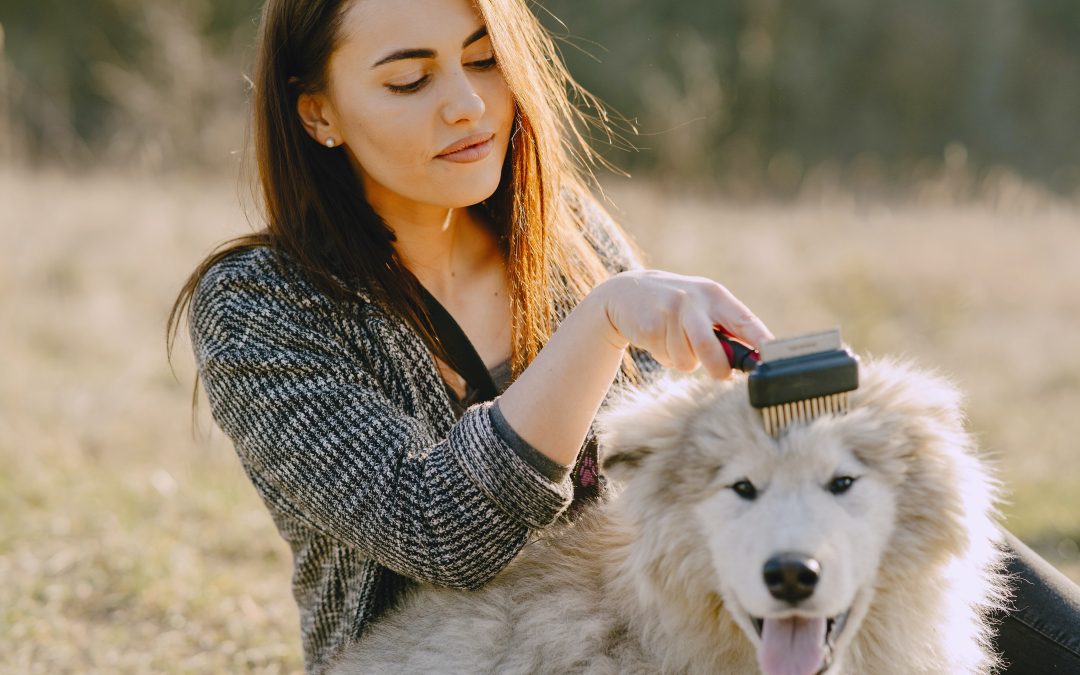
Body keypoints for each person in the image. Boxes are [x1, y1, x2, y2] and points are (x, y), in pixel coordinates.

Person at [168, 0, 1080, 672]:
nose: (468, 106)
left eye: (485, 60)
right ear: (316, 112)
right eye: (410, 79)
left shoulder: (559, 230)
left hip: (651, 603)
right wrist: (602, 320)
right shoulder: (261, 304)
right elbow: (437, 529)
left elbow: (674, 467)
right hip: (454, 650)